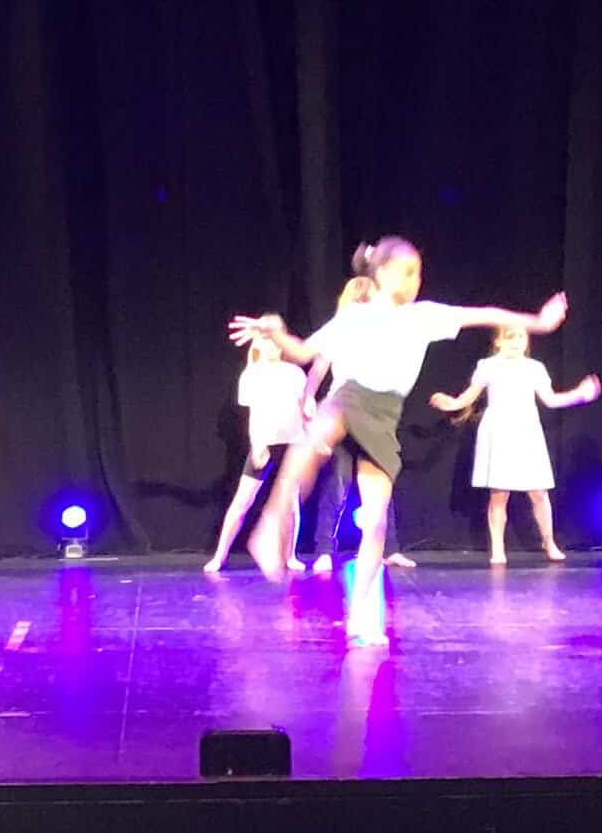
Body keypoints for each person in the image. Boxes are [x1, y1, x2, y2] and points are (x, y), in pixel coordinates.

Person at [229, 236, 567, 633]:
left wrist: (538, 322)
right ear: (384, 274)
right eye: (408, 272)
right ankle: (272, 524)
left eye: (418, 273)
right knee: (318, 430)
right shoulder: (354, 317)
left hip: (385, 418)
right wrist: (275, 332)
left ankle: (360, 614)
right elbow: (303, 353)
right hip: (351, 397)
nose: (415, 280)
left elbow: (485, 313)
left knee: (375, 521)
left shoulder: (424, 316)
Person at [428, 325, 599, 564]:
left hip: (527, 430)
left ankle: (549, 542)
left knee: (539, 491)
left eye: (521, 338)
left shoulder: (534, 368)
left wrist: (579, 394)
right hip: (498, 431)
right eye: (510, 338)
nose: (516, 342)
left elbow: (550, 400)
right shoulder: (488, 366)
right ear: (499, 342)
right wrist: (449, 402)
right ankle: (498, 548)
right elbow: (466, 398)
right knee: (499, 493)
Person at [305, 278, 415, 573]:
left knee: (381, 483)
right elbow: (318, 368)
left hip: (373, 417)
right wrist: (308, 398)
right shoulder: (340, 330)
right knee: (337, 483)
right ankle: (324, 550)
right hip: (343, 415)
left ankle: (389, 548)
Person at [205, 316, 308, 573]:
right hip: (265, 443)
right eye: (265, 339)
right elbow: (254, 417)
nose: (270, 345)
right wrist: (258, 445)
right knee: (242, 501)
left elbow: (302, 409)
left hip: (292, 443)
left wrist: (310, 424)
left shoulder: (294, 373)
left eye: (274, 339)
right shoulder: (252, 375)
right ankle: (219, 556)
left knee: (291, 503)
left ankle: (290, 555)